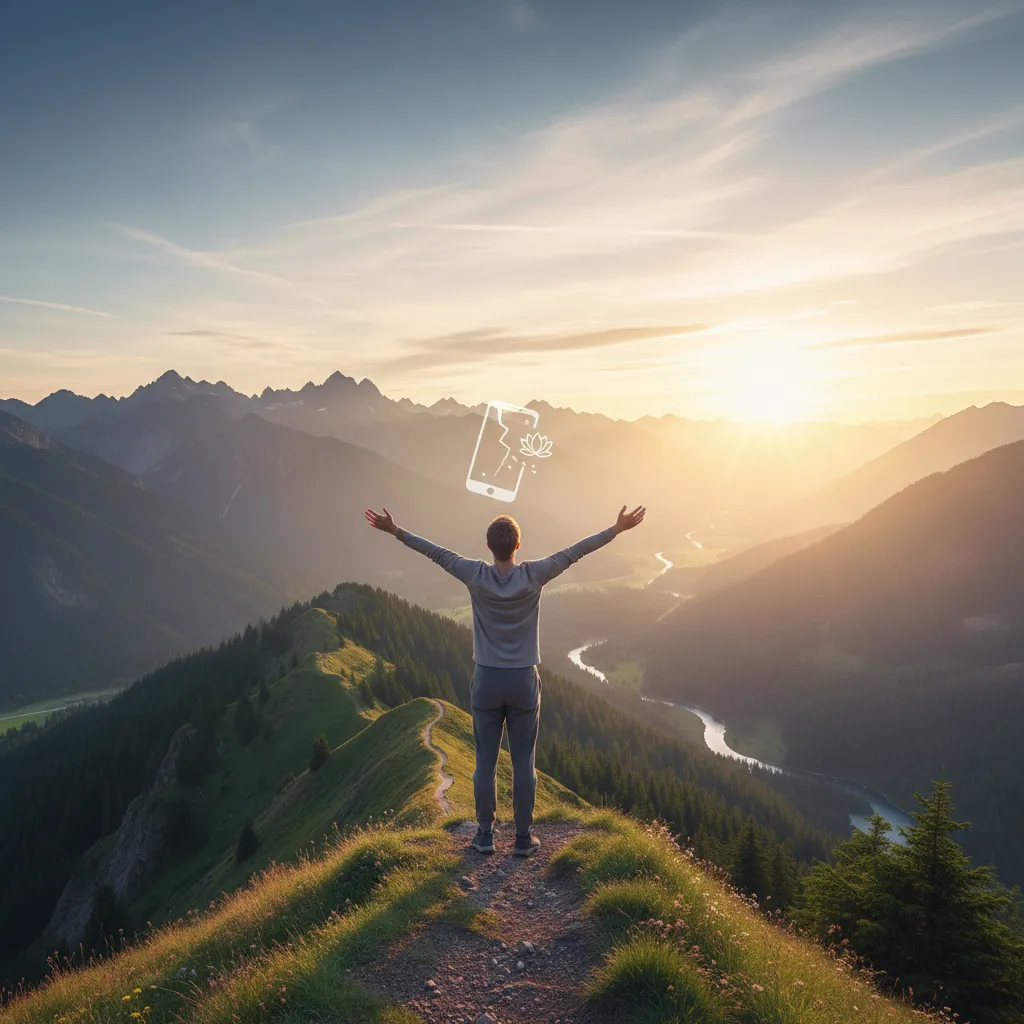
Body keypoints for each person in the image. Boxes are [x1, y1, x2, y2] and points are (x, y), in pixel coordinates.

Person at [364, 503, 646, 856]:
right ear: (517, 546)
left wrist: (395, 530)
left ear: (490, 546)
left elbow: (433, 552)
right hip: (523, 681)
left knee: (485, 760)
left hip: (486, 680)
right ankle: (524, 838)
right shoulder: (534, 575)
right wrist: (616, 529)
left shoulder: (474, 574)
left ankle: (484, 834)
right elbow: (576, 551)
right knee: (523, 761)